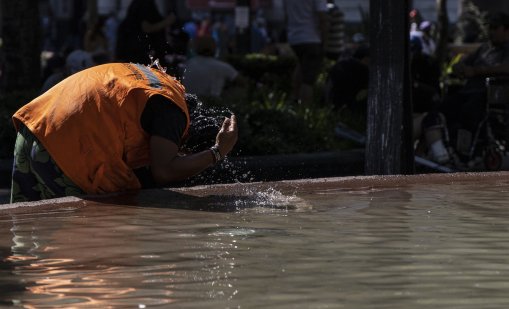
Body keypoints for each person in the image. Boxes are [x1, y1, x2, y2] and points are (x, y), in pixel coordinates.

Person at [10, 62, 238, 203]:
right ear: (185, 141)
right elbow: (164, 171)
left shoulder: (156, 81)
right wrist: (216, 152)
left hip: (34, 128)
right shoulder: (173, 113)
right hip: (65, 155)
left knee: (25, 235)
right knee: (85, 248)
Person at [426, 11, 509, 157]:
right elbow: (462, 63)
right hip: (468, 91)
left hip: (490, 96)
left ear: (506, 29)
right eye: (489, 27)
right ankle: (439, 151)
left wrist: (476, 71)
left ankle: (461, 152)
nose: (491, 31)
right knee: (439, 110)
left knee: (468, 111)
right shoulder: (484, 48)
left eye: (495, 27)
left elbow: (505, 67)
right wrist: (460, 67)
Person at [284, 0, 329, 105]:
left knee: (301, 65)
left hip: (294, 38)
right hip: (311, 38)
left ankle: (294, 99)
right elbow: (322, 17)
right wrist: (325, 42)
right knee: (308, 80)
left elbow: (286, 15)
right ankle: (305, 111)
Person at [115, 0, 175, 65]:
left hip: (134, 53)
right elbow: (147, 28)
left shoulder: (137, 5)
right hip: (141, 54)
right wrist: (167, 22)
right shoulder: (144, 3)